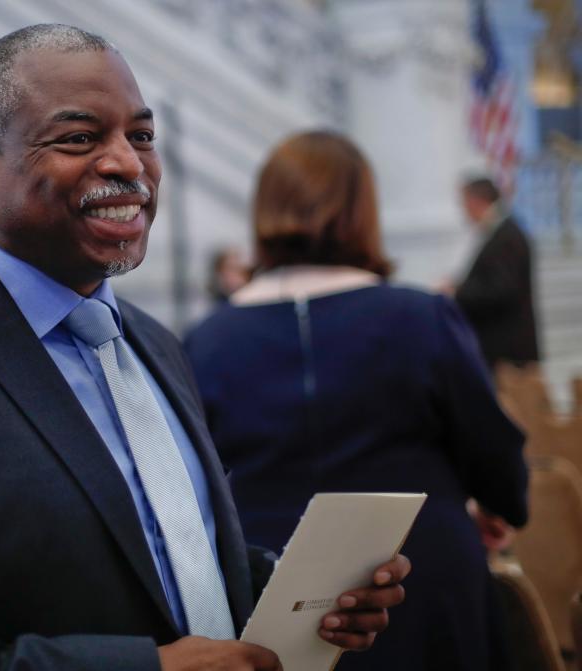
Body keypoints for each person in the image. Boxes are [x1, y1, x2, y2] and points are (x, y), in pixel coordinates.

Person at [0, 27, 409, 671]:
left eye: (141, 136)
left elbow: (164, 561)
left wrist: (298, 595)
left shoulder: (154, 344)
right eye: (80, 138)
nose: (128, 164)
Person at [185, 131, 528, 671]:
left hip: (273, 604)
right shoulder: (423, 317)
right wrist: (492, 503)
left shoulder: (205, 340)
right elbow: (494, 455)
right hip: (420, 573)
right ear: (363, 211)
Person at [445, 177, 540, 370]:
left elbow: (500, 290)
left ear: (476, 201)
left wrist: (457, 292)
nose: (463, 210)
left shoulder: (506, 236)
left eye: (463, 203)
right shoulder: (500, 232)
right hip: (501, 347)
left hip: (508, 352)